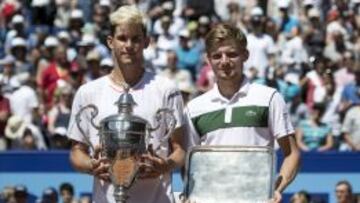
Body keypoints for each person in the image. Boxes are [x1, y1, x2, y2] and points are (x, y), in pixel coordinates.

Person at [67, 5, 185, 203]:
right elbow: (76, 153)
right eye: (122, 38)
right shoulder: (87, 92)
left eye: (136, 39)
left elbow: (180, 150)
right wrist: (92, 166)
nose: (129, 45)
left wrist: (163, 166)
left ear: (146, 42)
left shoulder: (167, 89)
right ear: (110, 42)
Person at [184, 23, 300, 203]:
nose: (224, 61)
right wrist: (191, 193)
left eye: (232, 54)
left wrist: (276, 189)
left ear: (245, 55)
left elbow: (292, 153)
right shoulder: (194, 108)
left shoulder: (269, 97)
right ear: (208, 60)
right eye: (217, 56)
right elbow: (189, 165)